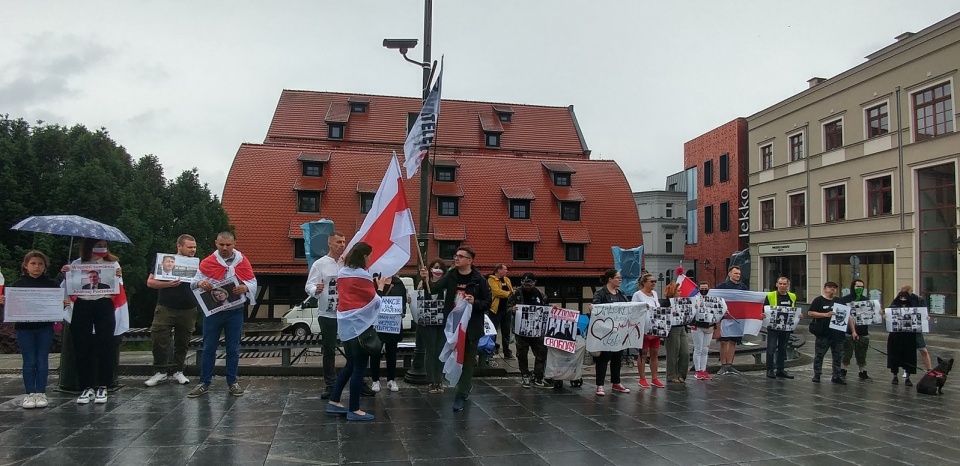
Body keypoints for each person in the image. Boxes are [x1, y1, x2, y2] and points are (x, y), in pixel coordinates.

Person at [419, 246, 492, 411]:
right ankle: (462, 386)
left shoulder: (479, 280)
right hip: (452, 326)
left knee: (466, 361)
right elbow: (434, 290)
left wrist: (476, 302)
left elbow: (488, 302)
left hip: (470, 328)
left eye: (461, 256)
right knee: (451, 357)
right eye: (456, 255)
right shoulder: (451, 276)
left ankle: (461, 393)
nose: (456, 258)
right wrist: (425, 280)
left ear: (469, 260)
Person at [325, 242, 391, 421]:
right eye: (369, 255)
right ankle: (354, 409)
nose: (370, 258)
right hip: (360, 326)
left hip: (346, 326)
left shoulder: (342, 273)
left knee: (350, 365)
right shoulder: (362, 276)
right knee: (359, 368)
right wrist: (380, 287)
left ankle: (334, 401)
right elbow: (375, 301)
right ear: (363, 257)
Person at [188, 231, 257, 398]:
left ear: (234, 244)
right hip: (213, 312)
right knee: (209, 348)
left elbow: (252, 281)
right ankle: (204, 382)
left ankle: (232, 382)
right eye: (221, 245)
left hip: (235, 311)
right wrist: (200, 282)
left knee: (233, 348)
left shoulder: (242, 261)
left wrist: (245, 288)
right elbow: (192, 283)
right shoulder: (208, 262)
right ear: (216, 244)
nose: (224, 248)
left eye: (228, 245)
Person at [0, 251, 69, 409]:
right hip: (24, 328)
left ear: (45, 266)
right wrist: (5, 302)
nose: (36, 267)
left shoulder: (52, 284)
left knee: (42, 359)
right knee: (29, 360)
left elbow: (57, 304)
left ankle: (41, 392)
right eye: (33, 263)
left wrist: (62, 304)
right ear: (26, 266)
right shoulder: (17, 285)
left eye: (40, 263)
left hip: (44, 327)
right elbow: (12, 306)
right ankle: (30, 393)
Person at [64, 239, 122, 404]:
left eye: (104, 245)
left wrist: (119, 276)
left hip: (103, 304)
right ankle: (86, 386)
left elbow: (118, 287)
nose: (102, 248)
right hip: (83, 305)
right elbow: (69, 286)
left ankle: (103, 386)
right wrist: (66, 272)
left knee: (105, 344)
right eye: (98, 245)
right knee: (82, 345)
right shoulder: (77, 263)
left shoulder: (112, 263)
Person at [305, 231, 355, 399]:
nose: (342, 245)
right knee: (329, 349)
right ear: (330, 244)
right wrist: (315, 290)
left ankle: (358, 382)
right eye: (338, 242)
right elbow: (309, 285)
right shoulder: (320, 264)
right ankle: (330, 384)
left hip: (347, 313)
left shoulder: (348, 263)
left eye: (344, 242)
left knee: (353, 348)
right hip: (327, 313)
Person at [144, 234, 199, 388]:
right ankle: (160, 370)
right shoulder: (165, 261)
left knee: (183, 341)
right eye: (189, 247)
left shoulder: (197, 264)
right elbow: (150, 282)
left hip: (188, 307)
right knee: (158, 338)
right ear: (179, 246)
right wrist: (168, 284)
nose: (193, 250)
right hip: (166, 306)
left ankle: (178, 370)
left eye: (194, 247)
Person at [591, 269, 631, 396]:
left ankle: (616, 382)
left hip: (618, 331)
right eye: (618, 278)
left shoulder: (621, 294)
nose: (620, 280)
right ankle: (600, 385)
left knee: (617, 357)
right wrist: (593, 308)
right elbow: (596, 307)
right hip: (605, 332)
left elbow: (628, 308)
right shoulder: (601, 293)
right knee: (603, 358)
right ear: (610, 279)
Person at [808, 281, 856, 384]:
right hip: (823, 334)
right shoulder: (818, 300)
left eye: (834, 287)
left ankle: (836, 376)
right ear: (825, 288)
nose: (832, 289)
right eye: (830, 287)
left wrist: (853, 331)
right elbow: (810, 312)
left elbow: (848, 316)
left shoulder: (840, 301)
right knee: (819, 355)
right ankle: (817, 374)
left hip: (838, 334)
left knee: (838, 356)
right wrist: (825, 315)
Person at [508, 272, 549, 388]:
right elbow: (506, 308)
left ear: (534, 283)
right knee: (522, 354)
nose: (527, 287)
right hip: (521, 330)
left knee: (541, 353)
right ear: (522, 283)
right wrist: (512, 309)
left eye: (529, 285)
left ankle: (538, 376)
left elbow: (546, 308)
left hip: (537, 330)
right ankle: (525, 375)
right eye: (525, 285)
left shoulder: (541, 295)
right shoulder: (516, 294)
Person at [370, 274, 407, 393]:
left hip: (393, 324)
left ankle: (391, 379)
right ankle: (375, 380)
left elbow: (403, 300)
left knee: (392, 353)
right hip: (378, 323)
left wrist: (402, 311)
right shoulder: (374, 282)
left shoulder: (399, 283)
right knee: (375, 352)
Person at [418, 258, 448, 394]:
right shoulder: (423, 283)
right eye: (435, 267)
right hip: (428, 322)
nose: (437, 270)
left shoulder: (446, 285)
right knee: (430, 351)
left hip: (442, 322)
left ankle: (439, 380)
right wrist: (424, 281)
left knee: (440, 351)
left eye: (440, 267)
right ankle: (431, 381)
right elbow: (418, 298)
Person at [715, 266, 747, 375]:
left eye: (739, 274)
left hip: (738, 317)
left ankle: (730, 364)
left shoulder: (743, 287)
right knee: (724, 341)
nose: (737, 275)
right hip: (725, 317)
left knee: (733, 341)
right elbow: (716, 299)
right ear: (729, 274)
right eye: (735, 273)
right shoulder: (722, 286)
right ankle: (723, 365)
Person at [632, 273, 662, 389]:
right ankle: (642, 378)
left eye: (655, 281)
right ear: (644, 282)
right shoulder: (638, 295)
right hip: (643, 328)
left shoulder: (654, 294)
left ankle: (654, 378)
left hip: (655, 327)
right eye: (651, 281)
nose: (654, 283)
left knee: (655, 353)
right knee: (643, 353)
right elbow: (634, 310)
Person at [763, 277, 797, 380]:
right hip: (773, 327)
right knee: (771, 348)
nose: (782, 286)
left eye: (784, 284)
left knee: (783, 349)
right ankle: (770, 369)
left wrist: (797, 316)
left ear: (788, 285)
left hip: (786, 327)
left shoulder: (792, 296)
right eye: (780, 284)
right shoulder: (770, 296)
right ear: (777, 284)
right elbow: (764, 309)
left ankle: (780, 369)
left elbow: (793, 309)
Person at [840, 279, 871, 380]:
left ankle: (862, 371)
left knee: (862, 353)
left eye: (862, 287)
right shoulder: (845, 299)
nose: (860, 289)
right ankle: (843, 370)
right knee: (846, 353)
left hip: (863, 331)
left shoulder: (866, 300)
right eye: (858, 287)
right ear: (853, 287)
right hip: (848, 332)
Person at [888, 290, 921, 386]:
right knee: (895, 356)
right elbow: (888, 317)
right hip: (896, 337)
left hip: (909, 337)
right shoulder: (893, 307)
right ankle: (895, 376)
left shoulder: (913, 308)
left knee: (908, 357)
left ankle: (907, 376)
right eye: (901, 298)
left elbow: (920, 318)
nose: (903, 300)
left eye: (905, 298)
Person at [900, 284, 933, 373]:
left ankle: (929, 369)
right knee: (907, 351)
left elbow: (924, 311)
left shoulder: (918, 299)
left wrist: (926, 317)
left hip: (916, 329)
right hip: (905, 330)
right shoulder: (898, 299)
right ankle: (906, 371)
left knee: (923, 350)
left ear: (911, 292)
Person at [661, 282, 689, 384]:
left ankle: (681, 374)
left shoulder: (682, 301)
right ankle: (672, 375)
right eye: (678, 291)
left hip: (681, 327)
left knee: (685, 353)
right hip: (672, 329)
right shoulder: (665, 303)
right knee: (673, 353)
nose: (680, 292)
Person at [487, 264, 515, 360]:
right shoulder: (491, 280)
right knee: (493, 331)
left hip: (506, 309)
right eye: (505, 269)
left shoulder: (507, 280)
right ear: (499, 270)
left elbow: (512, 290)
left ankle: (507, 352)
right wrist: (509, 294)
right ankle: (490, 351)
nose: (506, 271)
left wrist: (510, 294)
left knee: (506, 331)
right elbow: (496, 292)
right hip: (495, 310)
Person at [691, 281, 714, 380]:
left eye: (706, 288)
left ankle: (704, 369)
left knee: (705, 349)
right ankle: (697, 370)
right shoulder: (694, 298)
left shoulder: (712, 299)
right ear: (699, 289)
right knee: (698, 348)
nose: (704, 290)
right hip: (697, 326)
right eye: (702, 288)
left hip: (709, 326)